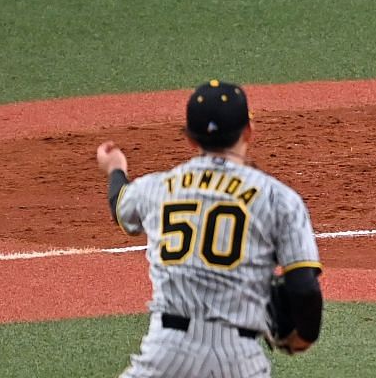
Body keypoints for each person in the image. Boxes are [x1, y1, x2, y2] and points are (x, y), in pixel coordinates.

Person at [94, 79, 324, 375]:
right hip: (239, 359)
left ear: (190, 139)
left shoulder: (155, 188)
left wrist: (115, 167)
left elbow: (119, 205)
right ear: (248, 132)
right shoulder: (279, 198)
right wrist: (303, 336)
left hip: (166, 353)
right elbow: (304, 286)